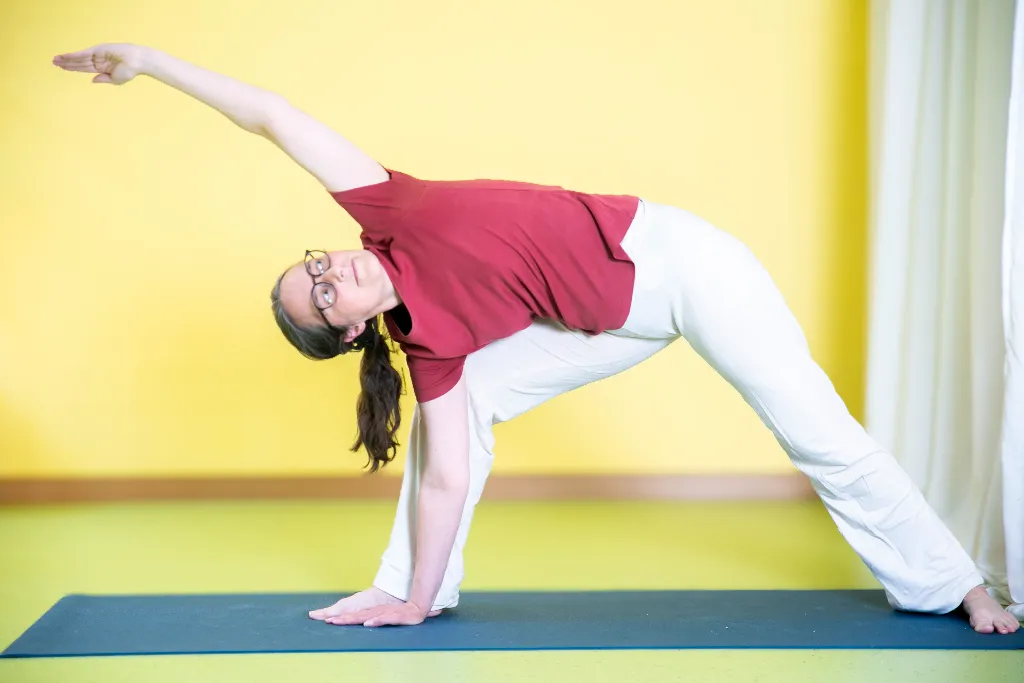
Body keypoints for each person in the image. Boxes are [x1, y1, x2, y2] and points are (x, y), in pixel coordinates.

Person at [53, 42, 1021, 636]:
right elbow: (441, 474)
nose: (327, 273)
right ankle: (412, 590)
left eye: (313, 265)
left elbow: (269, 119)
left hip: (683, 262)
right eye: (318, 296)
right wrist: (413, 599)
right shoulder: (426, 342)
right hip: (608, 316)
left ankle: (959, 582)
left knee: (814, 430)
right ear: (349, 331)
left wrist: (150, 61)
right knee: (457, 422)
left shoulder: (388, 208)